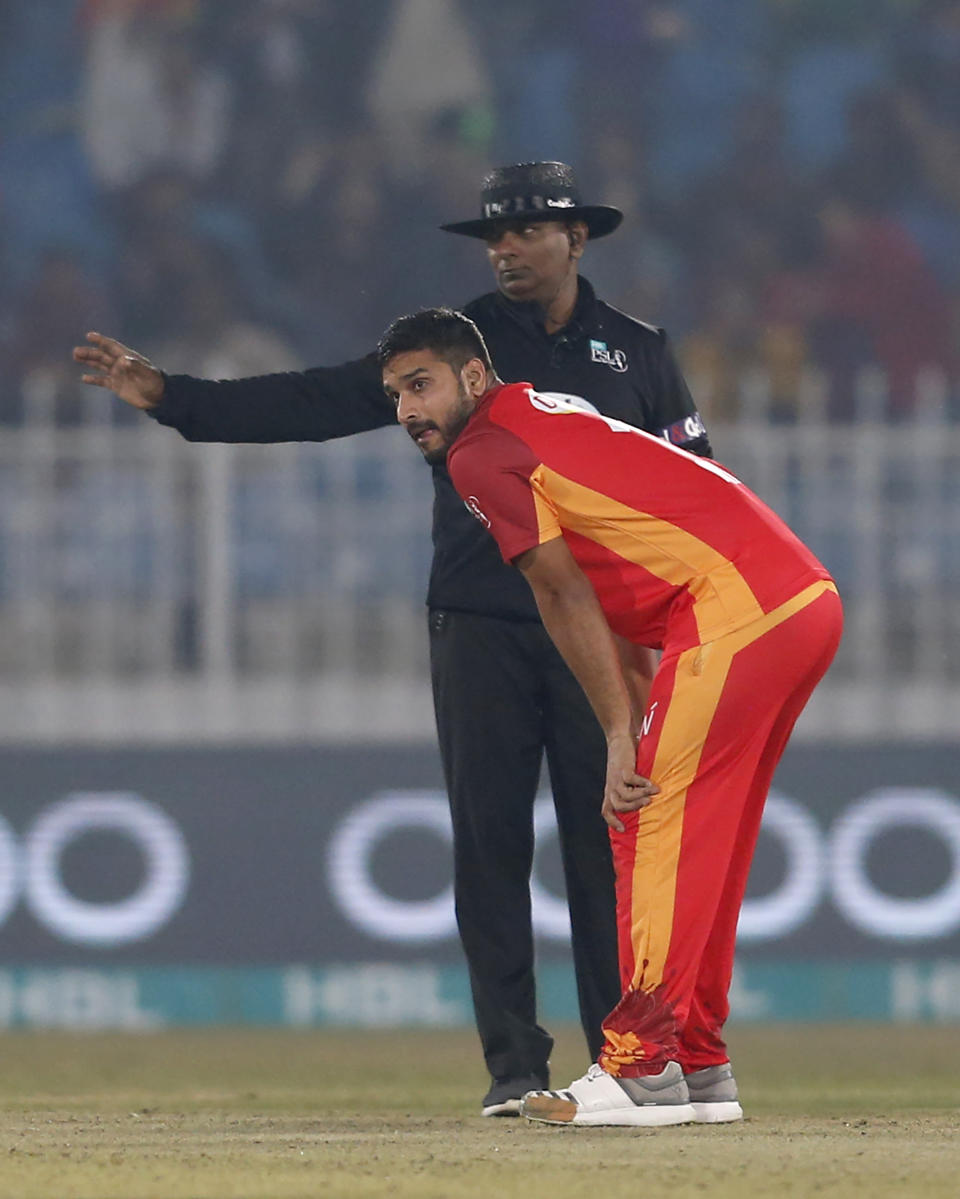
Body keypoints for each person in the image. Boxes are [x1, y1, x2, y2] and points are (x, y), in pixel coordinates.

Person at [73, 161, 711, 1117]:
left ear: (576, 238)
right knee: (489, 848)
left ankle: (623, 1064)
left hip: (603, 633)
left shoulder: (640, 352)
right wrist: (175, 398)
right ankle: (514, 1071)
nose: (504, 248)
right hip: (482, 624)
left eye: (525, 231)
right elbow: (318, 402)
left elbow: (694, 489)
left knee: (608, 850)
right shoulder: (453, 346)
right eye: (493, 236)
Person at [379, 307, 842, 1126]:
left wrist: (621, 733)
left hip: (734, 604)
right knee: (708, 828)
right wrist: (632, 714)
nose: (408, 409)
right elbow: (623, 587)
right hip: (797, 595)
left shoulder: (481, 452)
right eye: (394, 394)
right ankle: (697, 1061)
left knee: (647, 820)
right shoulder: (547, 410)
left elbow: (561, 594)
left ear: (473, 377)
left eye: (421, 384)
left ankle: (642, 1063)